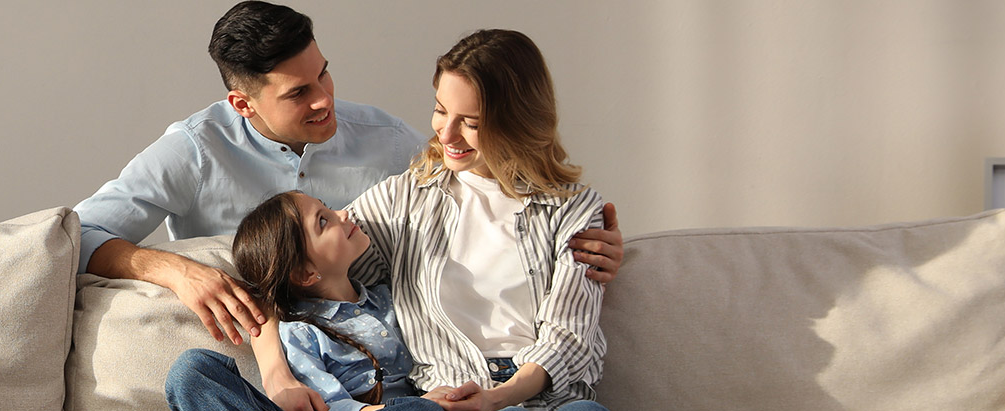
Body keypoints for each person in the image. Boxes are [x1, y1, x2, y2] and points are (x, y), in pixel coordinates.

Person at [70, 1, 627, 356]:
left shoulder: (386, 139)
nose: (324, 100)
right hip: (261, 349)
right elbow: (77, 234)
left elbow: (489, 185)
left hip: (388, 355)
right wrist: (175, 271)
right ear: (242, 103)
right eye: (298, 93)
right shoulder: (192, 150)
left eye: (324, 73)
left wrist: (580, 242)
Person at [281, 29, 673, 411]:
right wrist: (272, 367)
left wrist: (502, 395)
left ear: (517, 121)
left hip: (547, 394)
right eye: (441, 110)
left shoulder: (575, 209)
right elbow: (287, 265)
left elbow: (570, 334)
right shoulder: (404, 200)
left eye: (471, 121)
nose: (445, 135)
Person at [165, 191, 453, 411]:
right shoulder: (301, 330)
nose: (344, 214)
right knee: (191, 370)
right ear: (306, 273)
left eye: (328, 209)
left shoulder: (391, 299)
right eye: (324, 221)